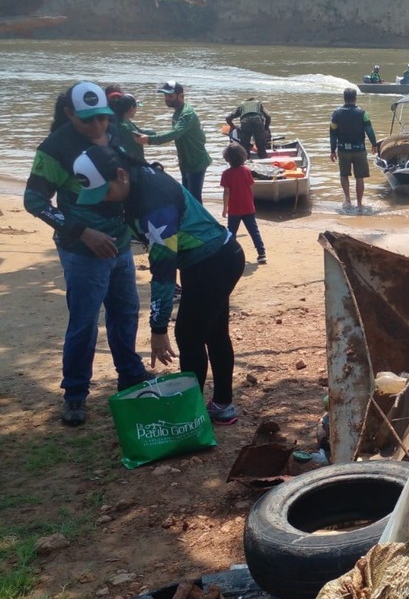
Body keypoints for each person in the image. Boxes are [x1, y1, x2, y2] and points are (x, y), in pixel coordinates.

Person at [72, 145, 246, 425]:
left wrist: (158, 328)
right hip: (203, 260)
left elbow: (163, 274)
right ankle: (221, 406)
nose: (102, 200)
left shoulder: (157, 205)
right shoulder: (133, 177)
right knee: (212, 332)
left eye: (104, 191)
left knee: (188, 336)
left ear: (121, 175)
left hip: (215, 262)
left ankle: (191, 414)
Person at [23, 82, 150, 425]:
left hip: (121, 244)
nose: (97, 127)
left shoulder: (118, 135)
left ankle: (131, 375)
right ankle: (76, 393)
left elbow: (133, 179)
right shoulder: (55, 148)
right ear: (69, 114)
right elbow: (34, 201)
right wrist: (82, 232)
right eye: (88, 120)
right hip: (82, 251)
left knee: (125, 313)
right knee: (84, 323)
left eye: (103, 119)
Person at [135, 81, 213, 203]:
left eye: (170, 96)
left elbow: (174, 133)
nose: (167, 99)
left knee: (194, 200)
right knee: (187, 197)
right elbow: (173, 132)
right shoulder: (178, 111)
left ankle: (201, 222)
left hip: (196, 162)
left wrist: (150, 140)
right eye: (165, 96)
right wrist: (143, 132)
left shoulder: (187, 114)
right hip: (185, 161)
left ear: (181, 96)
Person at [329, 87, 378, 210]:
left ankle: (347, 200)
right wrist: (374, 144)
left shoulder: (336, 113)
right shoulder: (362, 113)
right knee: (359, 177)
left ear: (344, 98)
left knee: (344, 175)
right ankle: (360, 204)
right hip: (359, 150)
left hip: (343, 150)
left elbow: (332, 133)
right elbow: (369, 130)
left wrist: (332, 150)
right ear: (355, 98)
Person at [220, 142, 267, 263]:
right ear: (243, 156)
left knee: (232, 232)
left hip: (234, 209)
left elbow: (226, 192)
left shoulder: (226, 174)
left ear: (227, 159)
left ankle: (231, 254)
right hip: (248, 207)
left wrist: (225, 208)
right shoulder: (247, 171)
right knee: (254, 231)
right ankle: (261, 253)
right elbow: (250, 186)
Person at [111, 94, 152, 163]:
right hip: (133, 163)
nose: (136, 110)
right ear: (131, 108)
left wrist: (155, 133)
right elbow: (136, 150)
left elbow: (139, 131)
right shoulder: (124, 127)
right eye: (136, 107)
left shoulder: (126, 122)